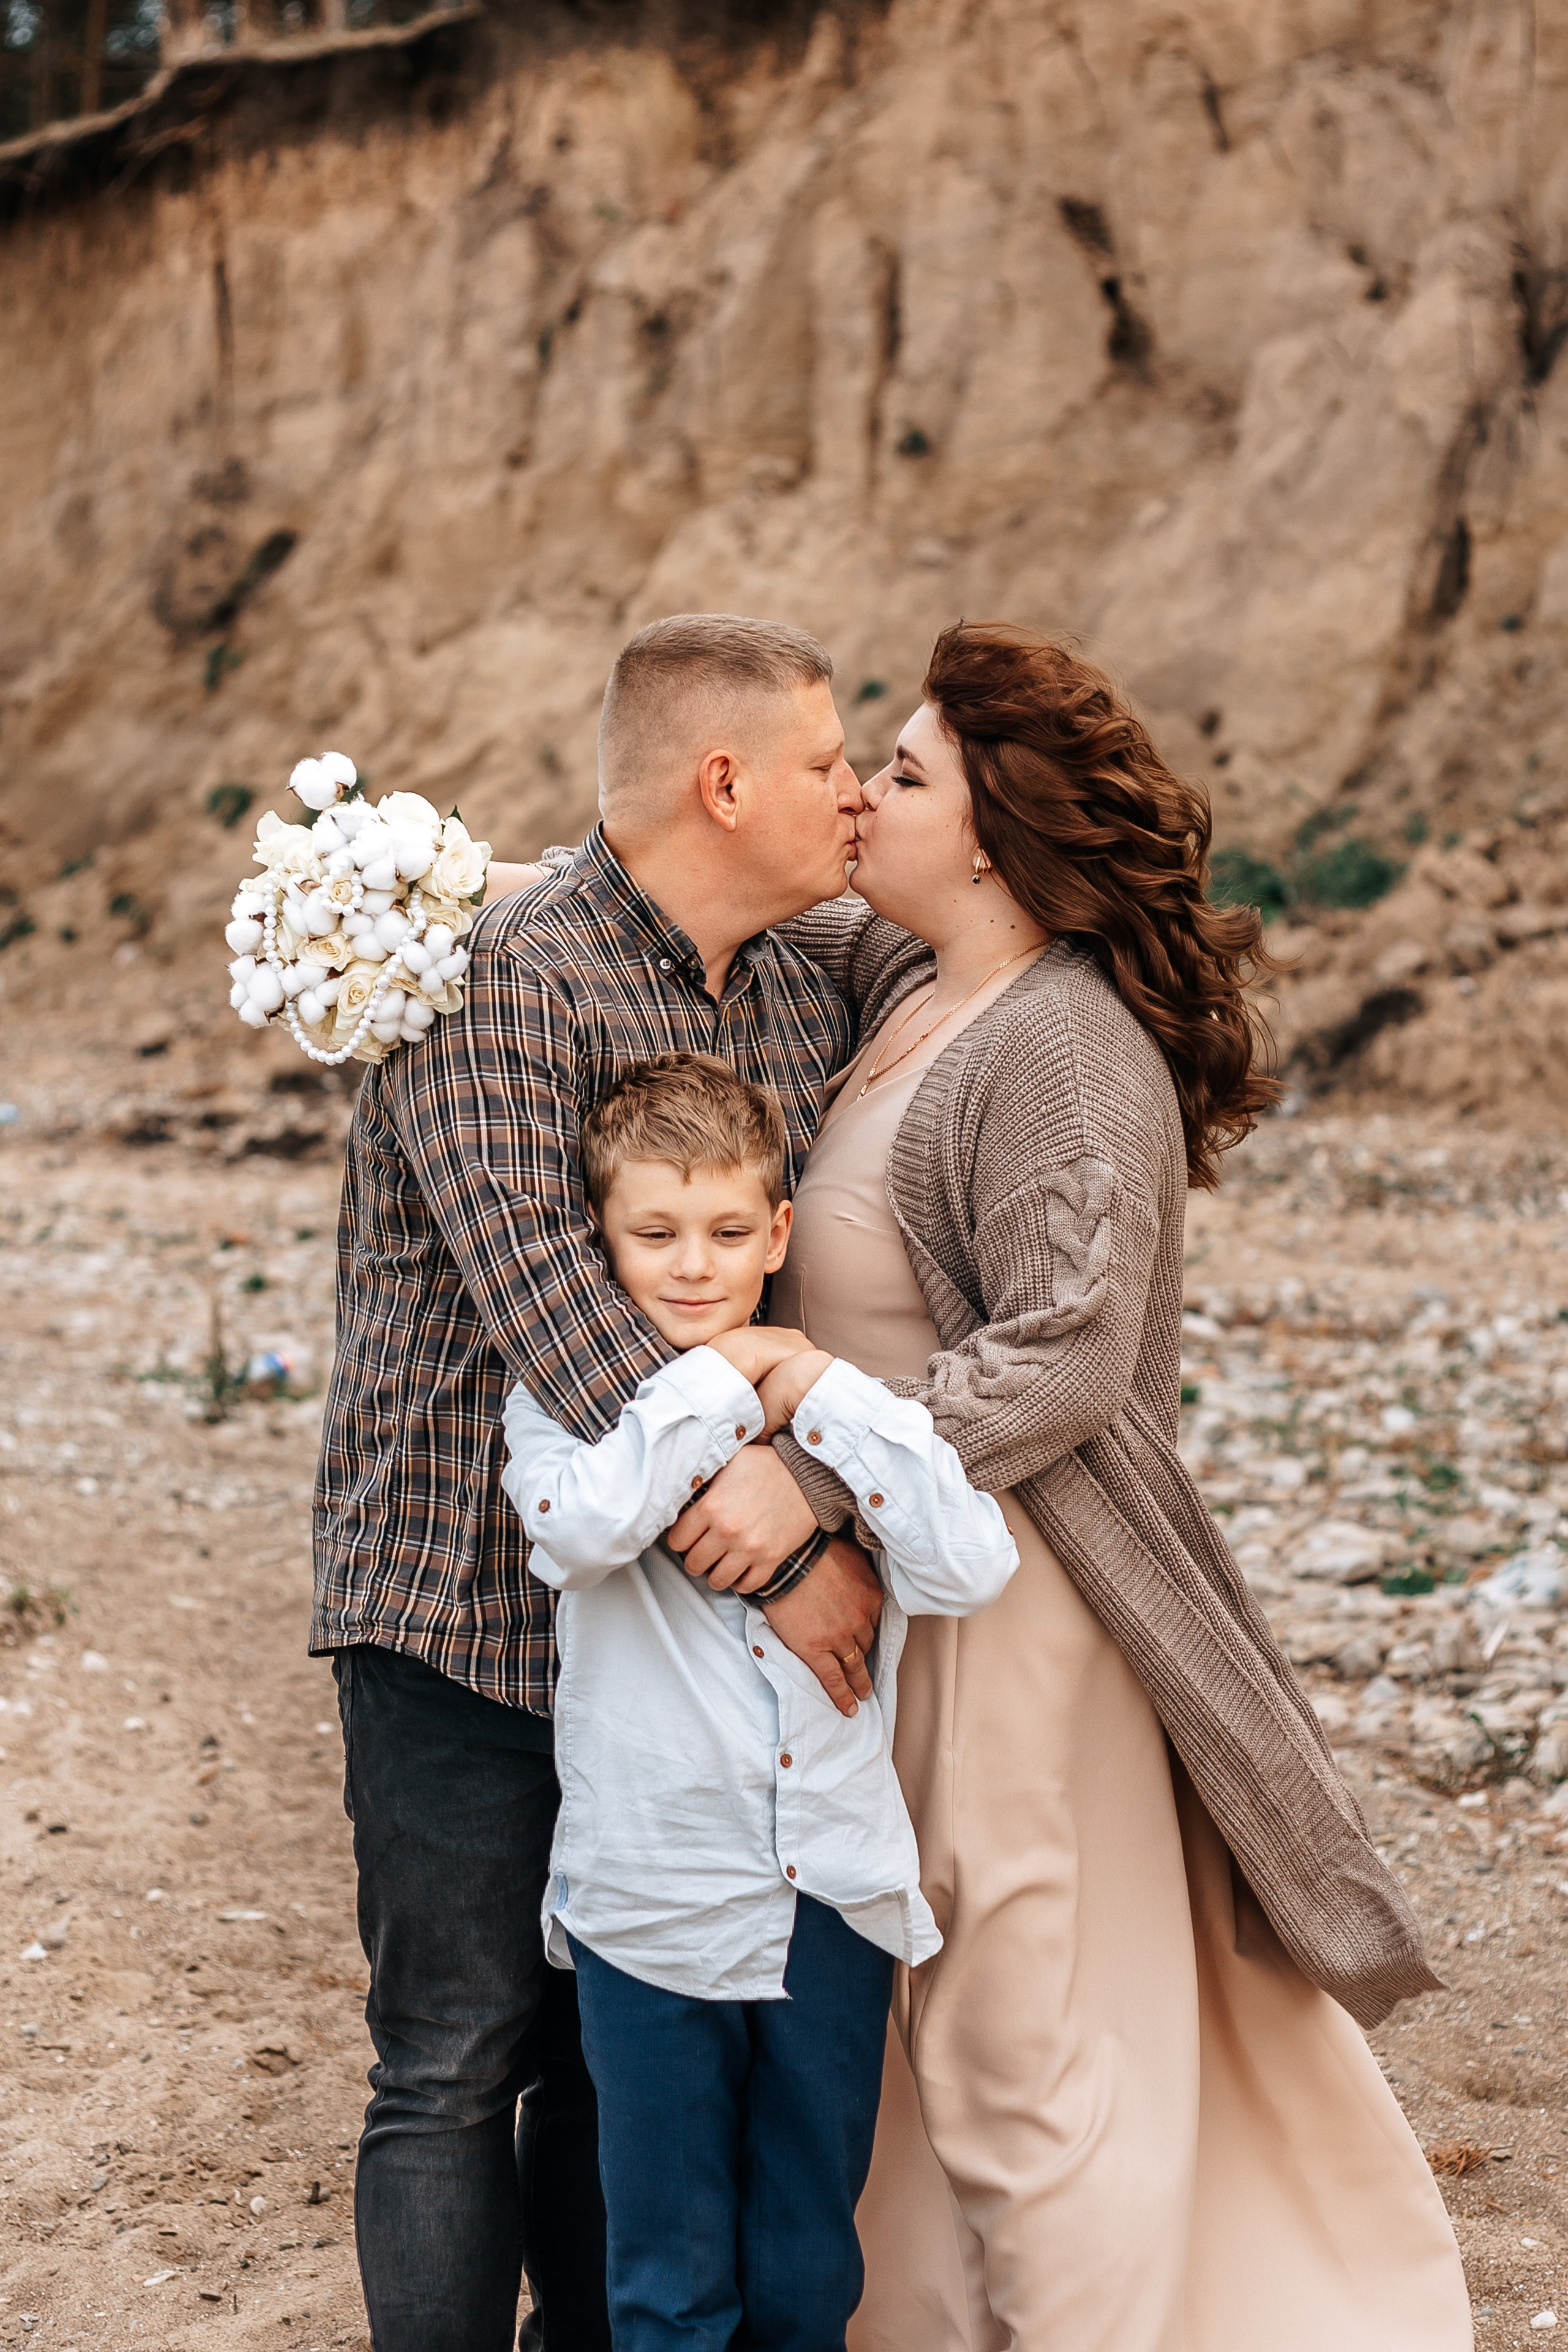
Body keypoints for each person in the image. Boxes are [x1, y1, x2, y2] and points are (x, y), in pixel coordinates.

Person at [739, 623, 1471, 2349]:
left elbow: (1069, 1353)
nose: (861, 798)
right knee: (920, 2042)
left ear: (991, 832)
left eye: (901, 776)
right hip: (918, 1603)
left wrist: (818, 1483)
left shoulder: (1062, 1043)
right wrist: (443, 884)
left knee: (1017, 2039)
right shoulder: (910, 985)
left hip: (1022, 1616)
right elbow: (705, 880)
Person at [311, 614, 894, 2352]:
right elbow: (562, 1321)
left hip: (664, 1654)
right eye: (827, 763)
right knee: (457, 2055)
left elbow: (973, 936)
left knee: (602, 2061)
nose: (856, 796)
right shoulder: (501, 978)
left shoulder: (808, 975)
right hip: (459, 1612)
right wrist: (799, 1556)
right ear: (723, 783)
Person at [497, 1052, 1017, 2352]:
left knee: (803, 2266)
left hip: (825, 1895)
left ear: (777, 1230)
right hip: (648, 1902)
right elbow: (583, 1531)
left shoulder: (835, 1409)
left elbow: (969, 1561)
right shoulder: (565, 1413)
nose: (691, 1265)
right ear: (601, 1237)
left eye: (728, 1233)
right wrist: (726, 1373)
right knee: (666, 2278)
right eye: (654, 1234)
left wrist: (815, 1388)